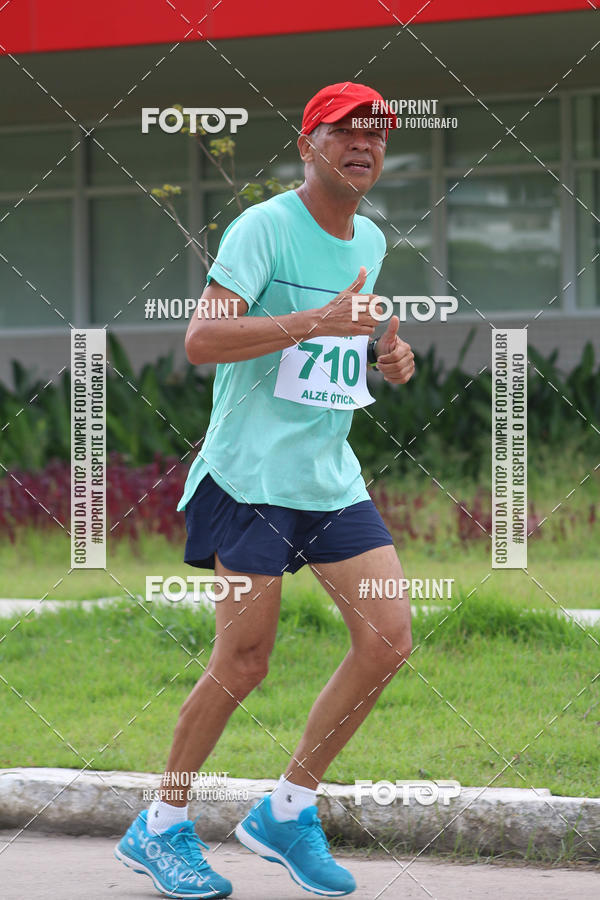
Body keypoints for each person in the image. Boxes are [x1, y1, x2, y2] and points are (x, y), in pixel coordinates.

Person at [116, 81, 415, 899]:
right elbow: (203, 338)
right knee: (244, 660)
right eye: (346, 132)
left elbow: (351, 332)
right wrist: (315, 323)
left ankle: (286, 812)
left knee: (389, 637)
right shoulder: (263, 227)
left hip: (328, 478)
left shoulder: (372, 236)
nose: (365, 146)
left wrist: (390, 352)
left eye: (378, 137)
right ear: (307, 143)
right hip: (249, 480)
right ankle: (161, 826)